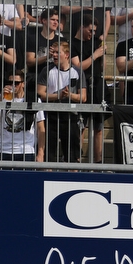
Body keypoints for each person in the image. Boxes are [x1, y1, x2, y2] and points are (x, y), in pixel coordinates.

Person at [38, 40, 86, 163]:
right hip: (51, 115)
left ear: (67, 55)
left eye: (57, 52)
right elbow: (41, 94)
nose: (54, 55)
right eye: (53, 52)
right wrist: (58, 96)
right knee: (48, 155)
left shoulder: (77, 72)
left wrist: (69, 95)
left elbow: (83, 97)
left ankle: (73, 179)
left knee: (72, 157)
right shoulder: (47, 70)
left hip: (70, 116)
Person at [0, 72, 45, 162]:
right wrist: (0, 99)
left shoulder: (33, 100)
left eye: (16, 83)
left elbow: (40, 127)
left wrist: (41, 153)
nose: (13, 85)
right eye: (10, 82)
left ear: (23, 84)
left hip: (25, 150)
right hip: (3, 150)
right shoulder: (1, 98)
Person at [72, 14, 108, 163]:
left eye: (94, 31)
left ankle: (98, 163)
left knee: (99, 127)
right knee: (82, 126)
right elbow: (78, 66)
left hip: (98, 86)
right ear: (82, 26)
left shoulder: (95, 42)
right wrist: (95, 55)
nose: (92, 34)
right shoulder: (73, 44)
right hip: (82, 87)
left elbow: (103, 68)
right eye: (90, 30)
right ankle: (78, 160)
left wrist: (102, 54)